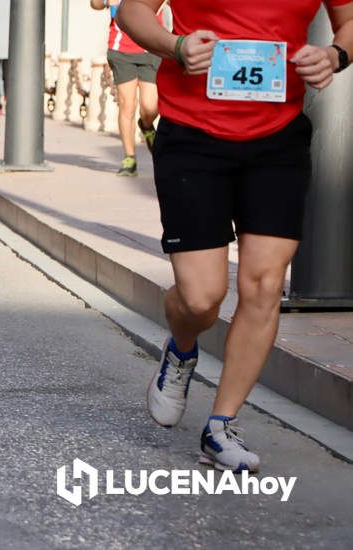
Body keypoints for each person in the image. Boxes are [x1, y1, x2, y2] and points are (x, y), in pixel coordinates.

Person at [118, 0, 353, 472]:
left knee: (264, 284)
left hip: (278, 136)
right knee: (202, 296)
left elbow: (349, 20)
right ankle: (181, 350)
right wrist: (176, 45)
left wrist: (336, 55)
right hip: (193, 135)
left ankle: (221, 425)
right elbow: (131, 11)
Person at [91, 0, 163, 177]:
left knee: (150, 106)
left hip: (151, 47)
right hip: (121, 49)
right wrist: (107, 1)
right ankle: (129, 158)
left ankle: (146, 126)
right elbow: (95, 4)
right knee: (127, 105)